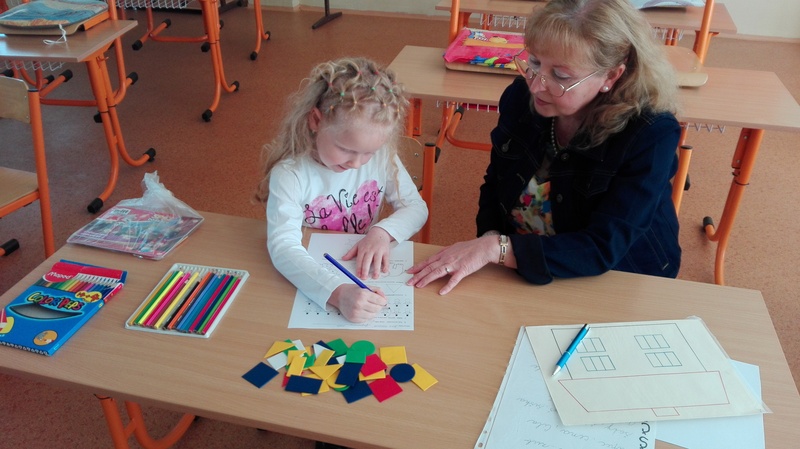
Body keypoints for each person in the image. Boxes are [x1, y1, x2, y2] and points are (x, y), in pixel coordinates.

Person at [408, 0, 681, 294]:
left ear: (612, 76)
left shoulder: (650, 134)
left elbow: (603, 246)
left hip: (617, 276)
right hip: (522, 263)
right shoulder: (520, 98)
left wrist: (498, 249)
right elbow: (496, 182)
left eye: (561, 76)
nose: (536, 85)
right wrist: (490, 239)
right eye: (535, 63)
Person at [256, 57, 428, 322]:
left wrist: (382, 232)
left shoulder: (383, 157)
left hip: (356, 270)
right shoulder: (290, 174)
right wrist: (336, 293)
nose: (356, 163)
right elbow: (283, 246)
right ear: (316, 120)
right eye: (346, 149)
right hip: (313, 273)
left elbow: (416, 207)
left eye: (369, 152)